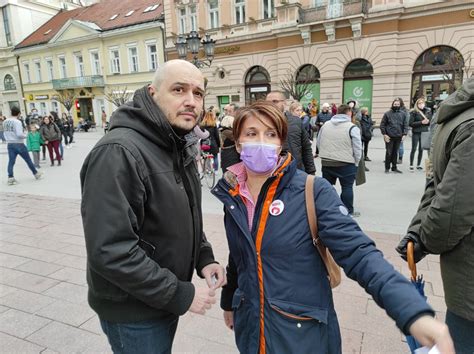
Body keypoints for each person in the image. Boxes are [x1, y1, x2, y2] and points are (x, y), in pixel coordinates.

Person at [212, 100, 453, 354]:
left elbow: (359, 253)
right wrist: (230, 302)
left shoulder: (312, 191)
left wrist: (411, 311)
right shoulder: (234, 194)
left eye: (270, 134)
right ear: (238, 144)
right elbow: (239, 255)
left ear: (281, 143)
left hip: (300, 334)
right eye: (252, 134)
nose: (261, 141)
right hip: (250, 329)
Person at [80, 59, 225, 354]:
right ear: (153, 93)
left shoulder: (175, 141)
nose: (191, 101)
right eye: (179, 89)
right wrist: (180, 294)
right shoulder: (119, 152)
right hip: (133, 310)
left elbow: (184, 214)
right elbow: (111, 250)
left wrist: (204, 257)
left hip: (157, 299)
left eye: (198, 93)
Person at [396, 78, 474, 353]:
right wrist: (423, 238)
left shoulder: (455, 112)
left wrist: (418, 233)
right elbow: (452, 210)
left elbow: (436, 186)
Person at [317, 104, 362, 217]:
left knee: (327, 187)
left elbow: (318, 141)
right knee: (347, 187)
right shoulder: (352, 127)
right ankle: (348, 211)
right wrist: (356, 161)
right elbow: (357, 147)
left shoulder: (325, 125)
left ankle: (327, 208)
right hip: (346, 163)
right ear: (349, 113)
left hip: (327, 161)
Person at [266, 91, 316, 175]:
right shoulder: (261, 124)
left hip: (296, 172)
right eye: (268, 103)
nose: (271, 105)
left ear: (284, 103)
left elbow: (306, 148)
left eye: (275, 101)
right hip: (271, 174)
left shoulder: (296, 122)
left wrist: (311, 171)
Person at [3, 106, 43, 185]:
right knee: (28, 160)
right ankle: (36, 173)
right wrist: (26, 135)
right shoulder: (17, 122)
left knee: (11, 161)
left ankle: (10, 177)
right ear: (18, 114)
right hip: (19, 143)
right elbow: (19, 134)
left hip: (10, 144)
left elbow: (4, 133)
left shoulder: (5, 121)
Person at [380, 98, 408, 173]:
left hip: (398, 136)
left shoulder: (403, 114)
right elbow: (382, 125)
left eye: (398, 104)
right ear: (392, 104)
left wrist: (404, 134)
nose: (396, 105)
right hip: (389, 136)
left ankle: (394, 167)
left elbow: (405, 125)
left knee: (395, 152)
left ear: (400, 105)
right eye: (395, 104)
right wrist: (384, 134)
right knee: (389, 152)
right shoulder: (387, 113)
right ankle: (387, 167)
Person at [409, 98, 432, 171]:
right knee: (414, 148)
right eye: (419, 103)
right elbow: (410, 123)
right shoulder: (414, 112)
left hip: (424, 132)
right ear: (417, 104)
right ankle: (411, 164)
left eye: (422, 103)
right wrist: (421, 122)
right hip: (416, 132)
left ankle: (418, 165)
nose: (421, 104)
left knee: (421, 149)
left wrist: (428, 122)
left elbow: (430, 122)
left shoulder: (428, 111)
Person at [220, 103, 241, 173]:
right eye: (226, 111)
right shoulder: (226, 129)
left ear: (236, 112)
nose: (227, 113)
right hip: (230, 158)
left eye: (230, 111)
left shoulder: (241, 122)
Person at [397, 97, 410, 164]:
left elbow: (407, 122)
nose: (396, 104)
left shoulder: (405, 110)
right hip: (393, 130)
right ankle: (393, 158)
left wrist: (405, 132)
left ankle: (400, 158)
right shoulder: (393, 109)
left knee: (400, 145)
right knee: (393, 145)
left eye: (398, 102)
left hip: (401, 130)